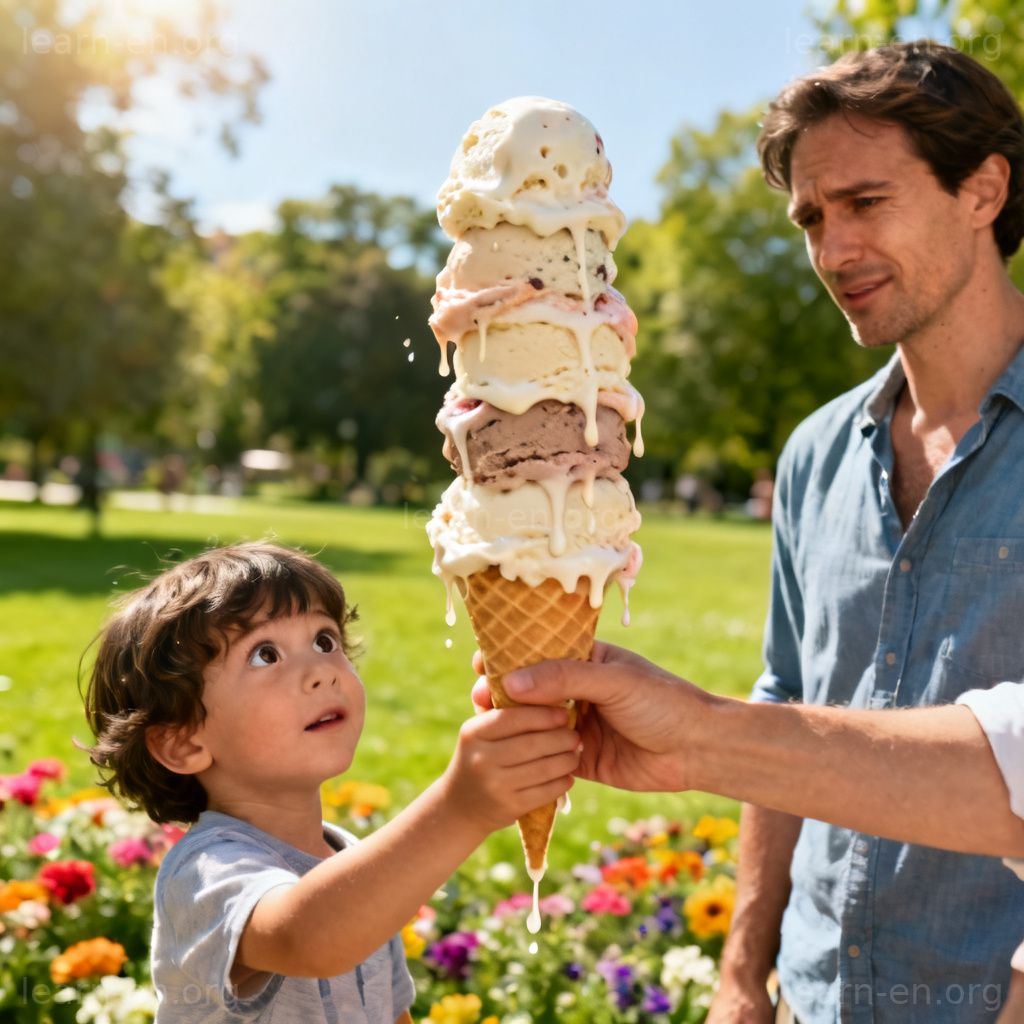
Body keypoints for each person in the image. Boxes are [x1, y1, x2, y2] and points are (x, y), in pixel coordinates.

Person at [479, 39, 1024, 1024]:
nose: (832, 251)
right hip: (815, 997)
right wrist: (743, 971)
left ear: (983, 189)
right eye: (811, 218)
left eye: (865, 202)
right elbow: (787, 697)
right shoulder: (815, 454)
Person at [82, 542, 580, 1023]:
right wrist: (460, 808)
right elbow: (309, 939)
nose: (322, 670)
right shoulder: (203, 871)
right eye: (265, 655)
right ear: (182, 743)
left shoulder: (351, 861)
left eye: (325, 641)